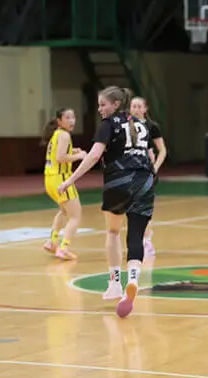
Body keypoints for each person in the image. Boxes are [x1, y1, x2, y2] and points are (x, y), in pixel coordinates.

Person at [57, 86, 156, 318]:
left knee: (113, 232)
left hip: (119, 182)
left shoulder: (109, 124)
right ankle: (133, 279)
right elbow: (149, 157)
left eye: (103, 104)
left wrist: (70, 180)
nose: (100, 109)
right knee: (136, 236)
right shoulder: (142, 125)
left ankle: (115, 282)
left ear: (116, 104)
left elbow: (94, 155)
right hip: (145, 182)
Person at [41, 108, 86, 260]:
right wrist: (79, 156)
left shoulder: (57, 134)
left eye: (73, 117)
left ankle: (52, 241)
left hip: (50, 179)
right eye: (67, 117)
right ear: (59, 121)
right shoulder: (65, 135)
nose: (72, 120)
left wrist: (72, 151)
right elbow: (60, 158)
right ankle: (64, 248)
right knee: (75, 215)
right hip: (61, 179)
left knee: (64, 211)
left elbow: (57, 153)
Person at [130, 96, 167, 257]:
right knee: (132, 209)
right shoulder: (126, 126)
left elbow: (162, 150)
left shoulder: (152, 127)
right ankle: (137, 240)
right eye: (133, 106)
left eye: (139, 106)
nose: (136, 109)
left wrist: (155, 168)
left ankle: (147, 241)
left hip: (146, 173)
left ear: (145, 109)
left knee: (144, 208)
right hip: (130, 173)